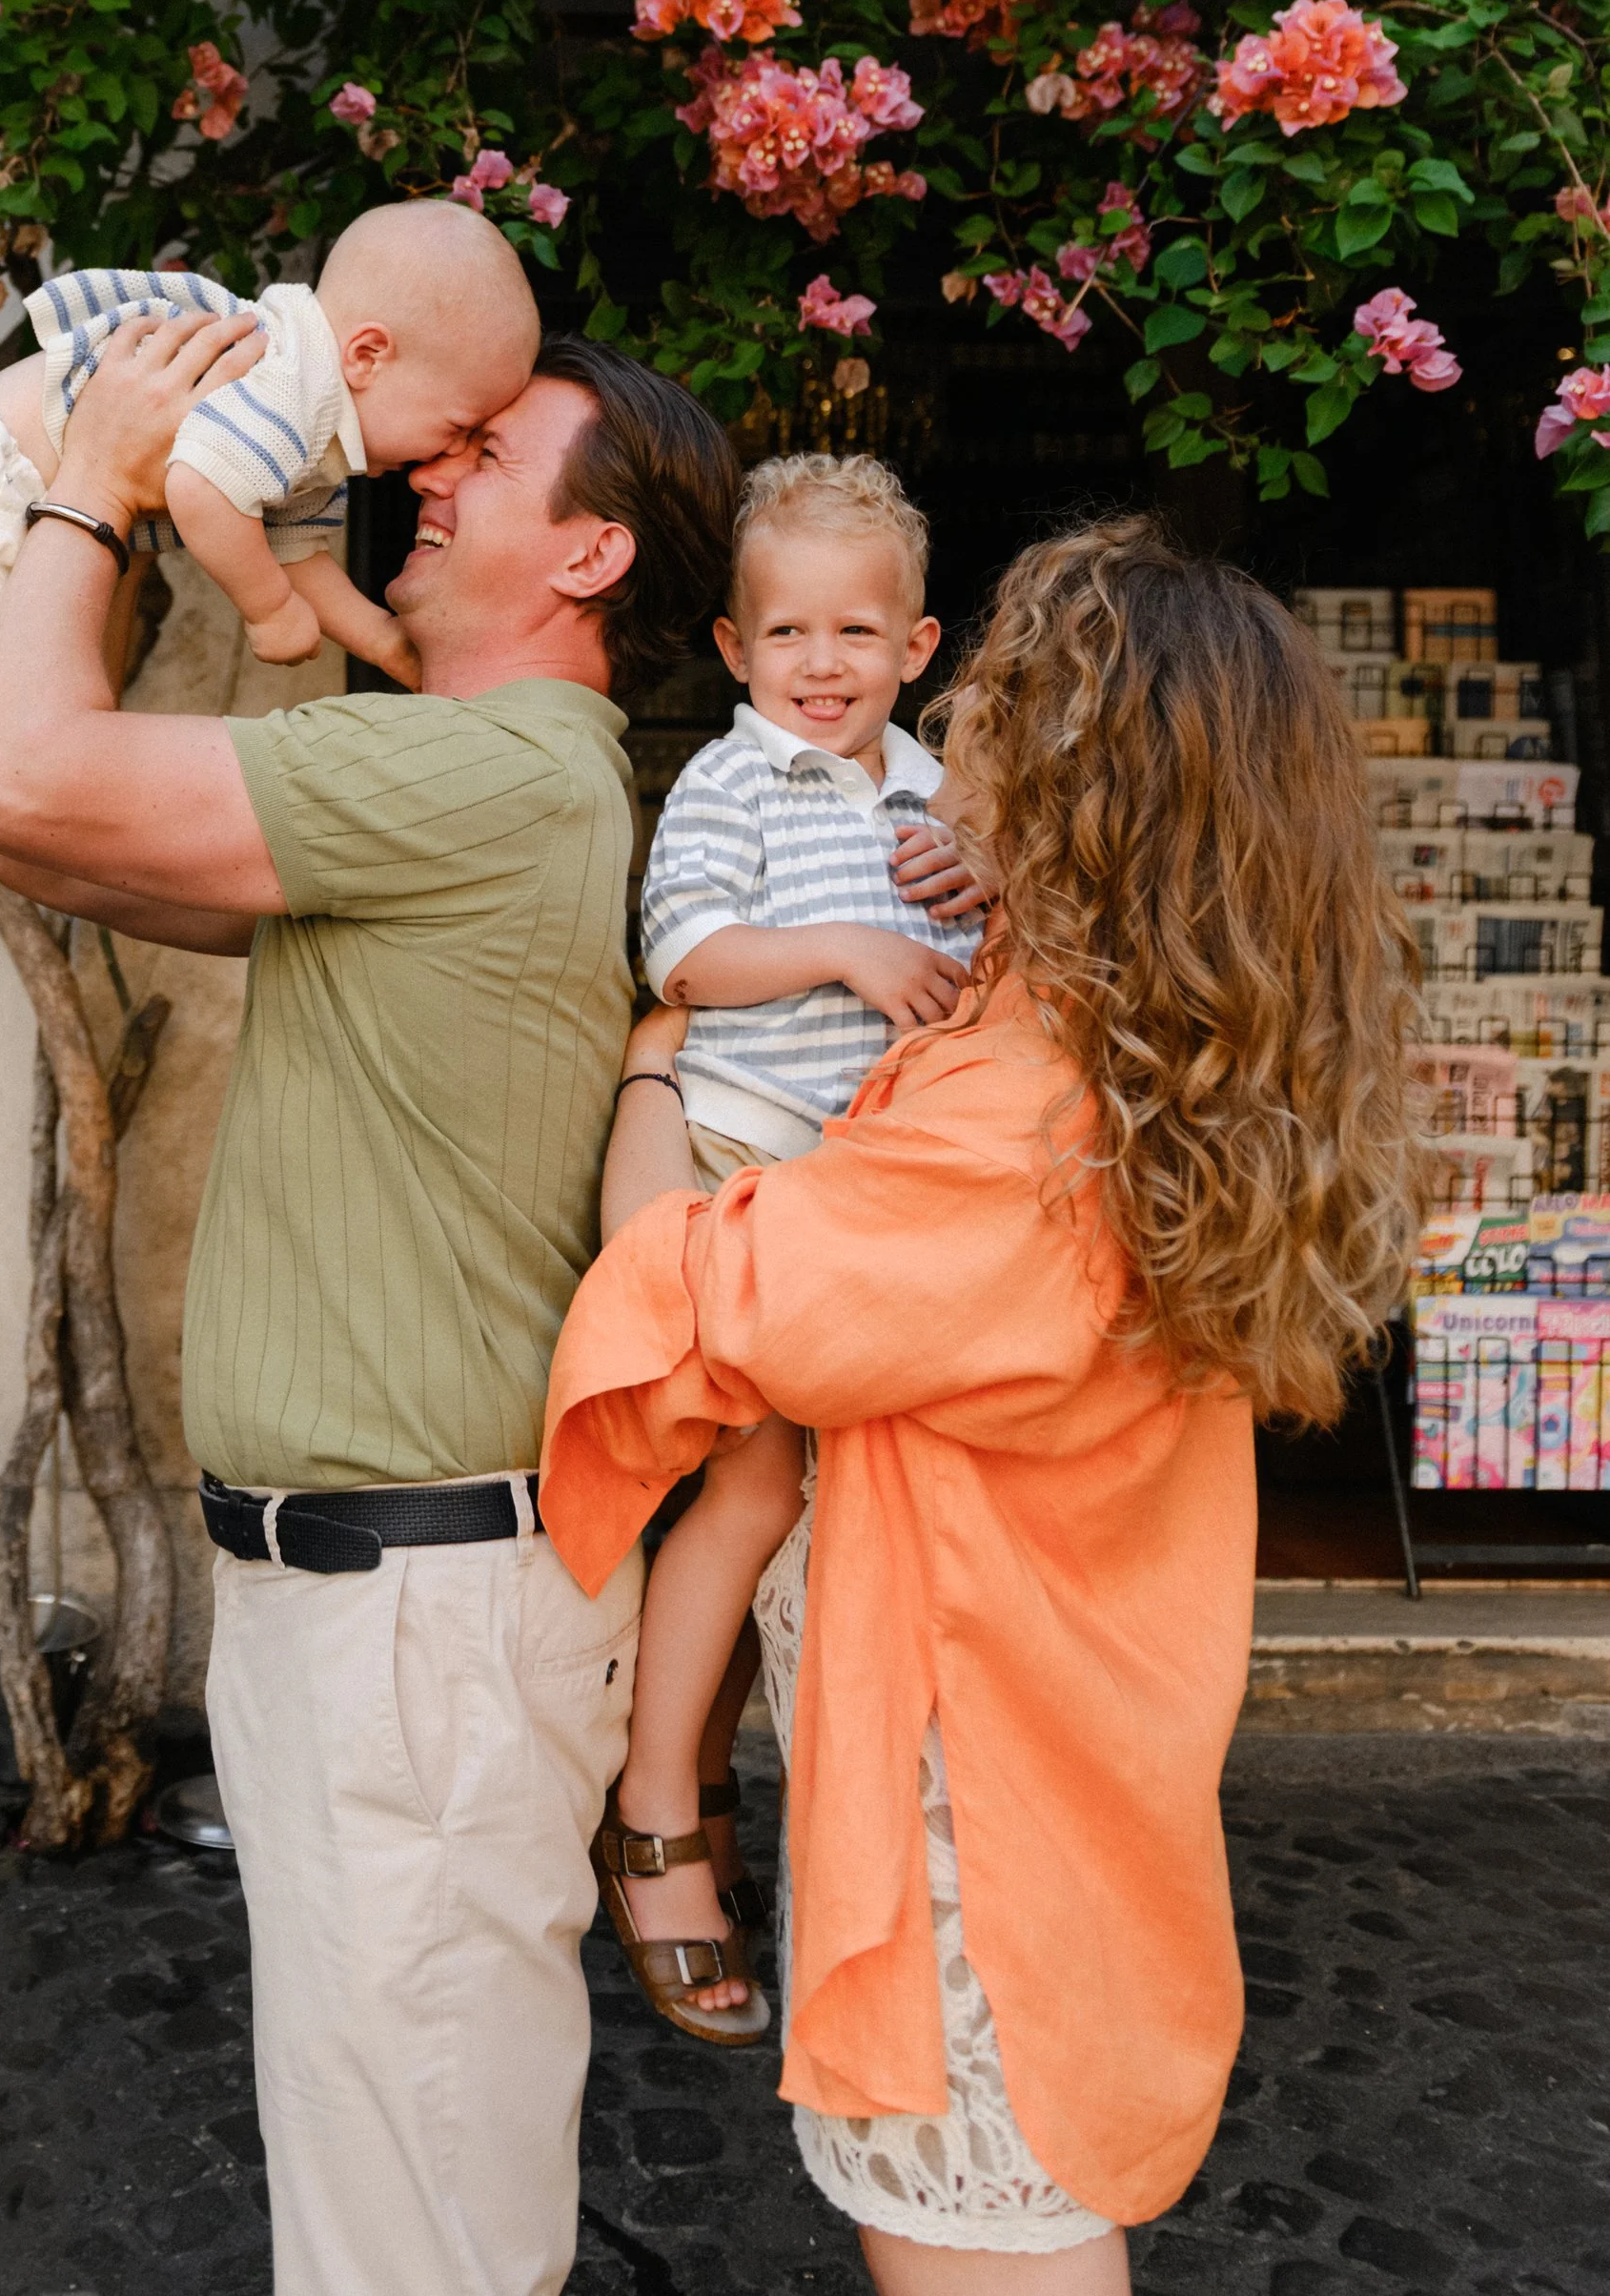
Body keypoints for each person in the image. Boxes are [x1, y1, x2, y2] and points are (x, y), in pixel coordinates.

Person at [0, 303, 740, 2296]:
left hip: (421, 1621)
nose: (425, 465)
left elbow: (19, 772)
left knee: (416, 2230)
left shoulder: (484, 780)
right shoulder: (450, 782)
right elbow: (33, 828)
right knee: (395, 2190)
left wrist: (93, 475)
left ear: (592, 552)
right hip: (378, 1612)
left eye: (489, 453)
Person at [542, 519, 1423, 2288]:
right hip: (1062, 1785)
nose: (958, 732)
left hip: (978, 1847)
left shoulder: (1023, 1114)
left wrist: (658, 1052)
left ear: (1070, 785)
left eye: (999, 710)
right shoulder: (1135, 1050)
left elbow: (692, 1276)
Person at [0, 200, 541, 1067]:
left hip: (6, 488)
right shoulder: (281, 378)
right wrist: (265, 609)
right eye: (454, 427)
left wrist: (380, 641)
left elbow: (298, 553)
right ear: (369, 354)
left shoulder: (318, 419)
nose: (439, 460)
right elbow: (200, 493)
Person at [601, 453, 983, 2044]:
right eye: (786, 635)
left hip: (875, 1199)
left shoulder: (940, 789)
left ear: (918, 644)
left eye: (856, 631)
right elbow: (682, 949)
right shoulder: (736, 783)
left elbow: (971, 970)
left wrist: (995, 880)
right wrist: (837, 944)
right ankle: (651, 1811)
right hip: (748, 1168)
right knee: (755, 1487)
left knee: (838, 1515)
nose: (819, 664)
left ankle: (732, 1789)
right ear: (735, 645)